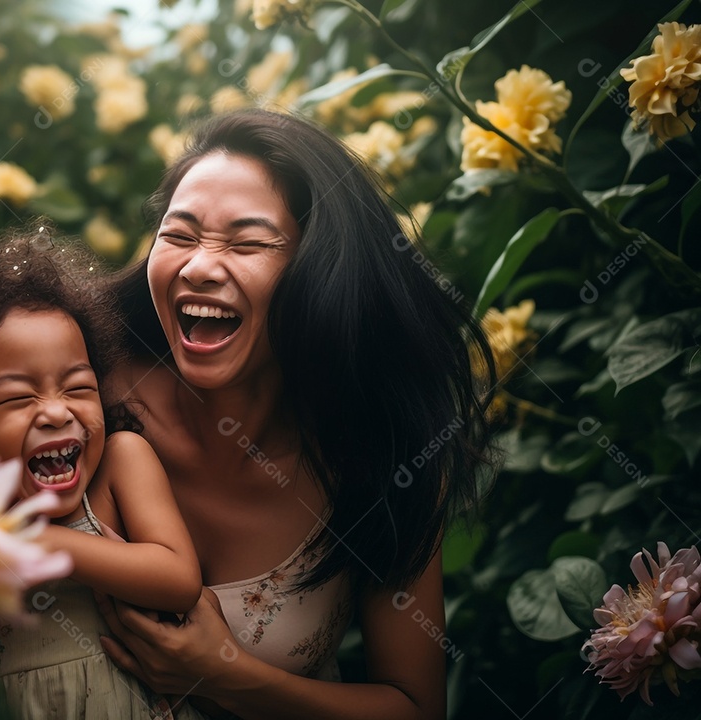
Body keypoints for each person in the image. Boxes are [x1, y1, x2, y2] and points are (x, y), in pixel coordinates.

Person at [97, 109, 496, 719]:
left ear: (323, 272)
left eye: (249, 242)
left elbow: (416, 707)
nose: (199, 266)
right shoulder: (81, 394)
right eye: (178, 235)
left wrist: (225, 675)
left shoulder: (383, 454)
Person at [0, 229, 205, 720]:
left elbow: (177, 579)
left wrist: (45, 544)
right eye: (16, 398)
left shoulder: (118, 465)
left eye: (77, 387)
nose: (55, 412)